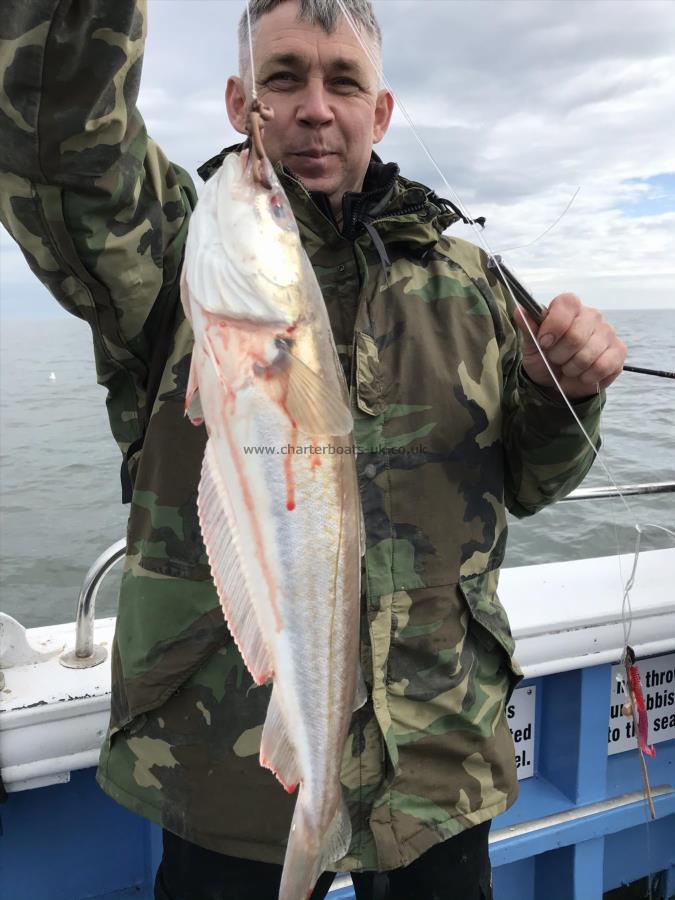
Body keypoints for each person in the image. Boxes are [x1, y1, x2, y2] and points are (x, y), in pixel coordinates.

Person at [0, 1, 626, 898]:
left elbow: (530, 481)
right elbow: (56, 138)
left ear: (379, 111)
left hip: (437, 765)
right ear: (237, 102)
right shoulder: (180, 253)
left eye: (343, 82)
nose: (314, 107)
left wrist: (564, 392)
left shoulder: (469, 280)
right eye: (284, 78)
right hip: (224, 770)